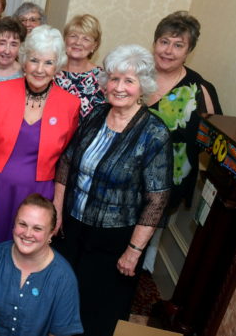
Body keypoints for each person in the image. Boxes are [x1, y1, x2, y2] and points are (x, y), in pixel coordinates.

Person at [52, 45, 173, 336]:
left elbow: (157, 199)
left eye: (129, 81)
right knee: (64, 300)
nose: (119, 88)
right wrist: (56, 212)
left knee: (98, 313)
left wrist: (133, 251)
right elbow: (67, 163)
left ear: (142, 87)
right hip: (73, 228)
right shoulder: (96, 114)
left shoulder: (154, 133)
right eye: (114, 79)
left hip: (115, 240)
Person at [0, 25, 80, 246]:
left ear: (58, 67)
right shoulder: (0, 92)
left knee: (24, 251)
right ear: (24, 61)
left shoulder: (70, 105)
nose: (40, 69)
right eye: (34, 60)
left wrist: (58, 206)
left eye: (48, 62)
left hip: (36, 194)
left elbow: (65, 161)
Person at [142, 10, 223, 272]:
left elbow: (215, 140)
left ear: (189, 50)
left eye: (178, 45)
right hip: (124, 178)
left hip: (167, 184)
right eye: (164, 42)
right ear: (154, 43)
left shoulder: (199, 90)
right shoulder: (135, 75)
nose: (168, 50)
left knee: (139, 252)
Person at [0, 194, 83, 336]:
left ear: (51, 233)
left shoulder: (64, 278)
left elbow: (59, 333)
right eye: (22, 224)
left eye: (37, 229)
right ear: (14, 224)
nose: (28, 234)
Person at [55, 14, 105, 120]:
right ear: (65, 39)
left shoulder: (103, 77)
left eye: (86, 39)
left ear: (94, 45)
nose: (78, 42)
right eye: (73, 36)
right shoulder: (51, 72)